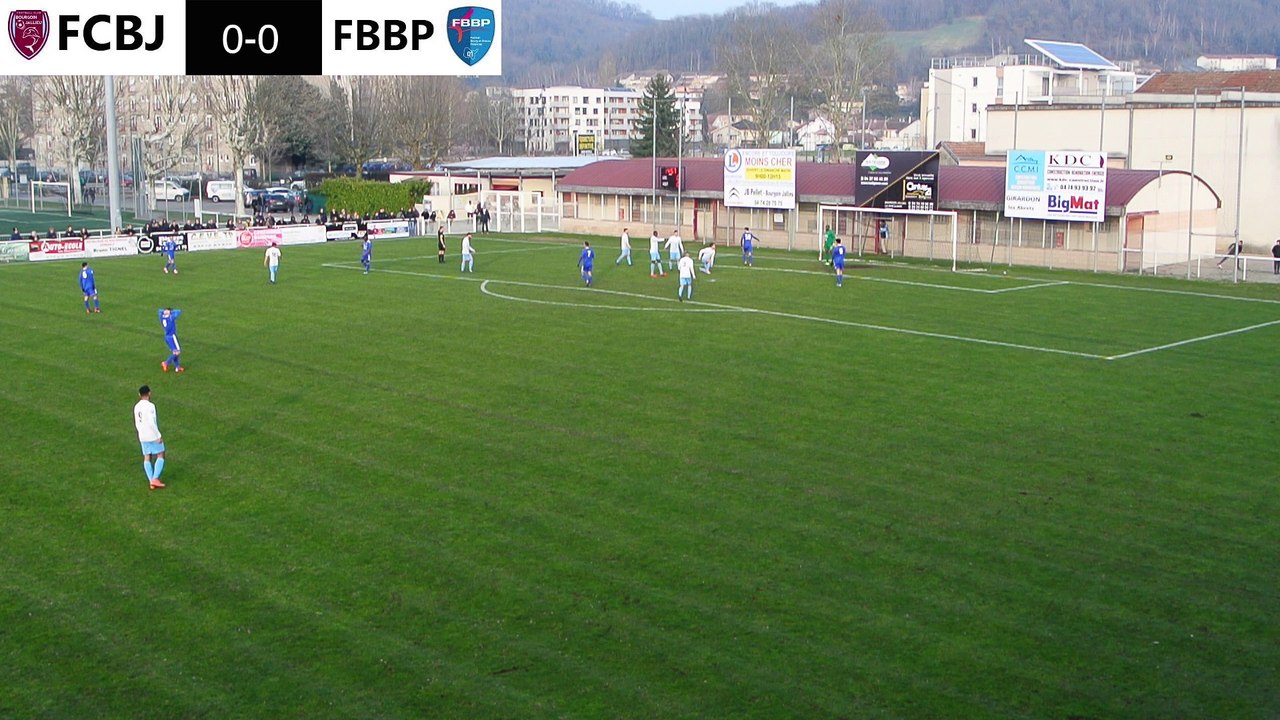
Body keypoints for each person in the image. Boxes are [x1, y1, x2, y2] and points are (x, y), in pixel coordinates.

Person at [134, 385, 167, 491]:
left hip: (142, 434)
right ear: (149, 393)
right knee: (161, 454)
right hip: (151, 434)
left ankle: (151, 481)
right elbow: (152, 422)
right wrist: (158, 435)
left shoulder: (136, 406)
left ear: (139, 395)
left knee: (147, 456)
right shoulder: (150, 406)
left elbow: (137, 422)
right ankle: (155, 478)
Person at [158, 307, 184, 373]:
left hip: (167, 337)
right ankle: (166, 363)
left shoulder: (161, 316)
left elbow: (159, 310)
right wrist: (171, 311)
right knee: (178, 352)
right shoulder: (171, 317)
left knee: (175, 352)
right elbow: (178, 311)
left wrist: (164, 311)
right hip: (172, 337)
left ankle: (177, 367)